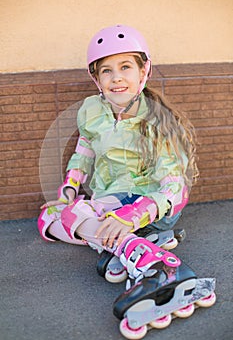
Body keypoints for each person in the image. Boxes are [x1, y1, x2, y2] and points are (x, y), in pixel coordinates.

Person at [38, 24, 199, 279]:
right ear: (97, 79)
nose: (116, 78)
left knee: (74, 216)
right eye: (106, 71)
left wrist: (134, 215)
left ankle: (124, 240)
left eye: (125, 67)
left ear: (143, 70)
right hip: (110, 198)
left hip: (147, 202)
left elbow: (176, 189)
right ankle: (129, 245)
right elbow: (84, 152)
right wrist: (69, 191)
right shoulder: (92, 110)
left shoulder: (158, 120)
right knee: (48, 217)